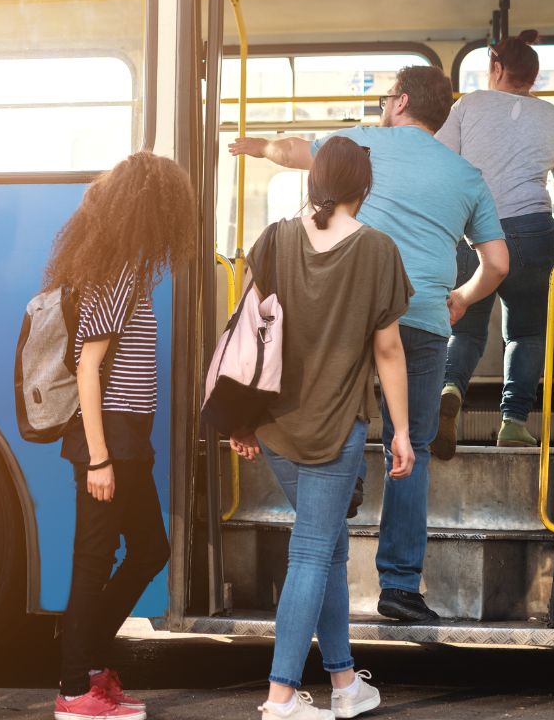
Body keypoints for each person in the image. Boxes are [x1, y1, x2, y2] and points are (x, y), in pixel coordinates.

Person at [229, 65, 509, 623]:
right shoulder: (467, 174)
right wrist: (461, 298)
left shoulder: (361, 145)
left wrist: (255, 144)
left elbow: (291, 151)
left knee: (342, 420)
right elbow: (498, 263)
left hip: (351, 312)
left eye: (387, 97)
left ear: (401, 102)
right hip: (425, 318)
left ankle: (347, 485)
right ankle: (401, 587)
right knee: (414, 447)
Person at [231, 137, 414, 720]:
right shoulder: (378, 250)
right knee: (312, 552)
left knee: (329, 550)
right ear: (365, 188)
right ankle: (281, 697)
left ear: (314, 183)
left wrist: (243, 417)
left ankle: (343, 684)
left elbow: (248, 336)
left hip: (277, 429)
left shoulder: (275, 240)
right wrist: (403, 432)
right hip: (336, 431)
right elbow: (388, 351)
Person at [43, 152, 194, 720]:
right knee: (93, 558)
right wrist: (99, 458)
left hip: (127, 437)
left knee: (150, 550)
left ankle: (84, 660)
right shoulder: (116, 272)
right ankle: (74, 688)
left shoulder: (125, 265)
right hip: (109, 438)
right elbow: (88, 366)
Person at [433, 31, 554, 455]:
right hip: (534, 231)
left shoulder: (468, 105)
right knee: (527, 333)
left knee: (466, 327)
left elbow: (440, 164)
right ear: (534, 77)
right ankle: (513, 422)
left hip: (473, 231)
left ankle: (450, 389)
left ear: (495, 68)